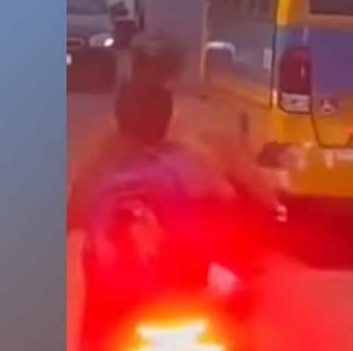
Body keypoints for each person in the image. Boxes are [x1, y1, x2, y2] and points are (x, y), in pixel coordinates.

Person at [68, 79, 243, 351]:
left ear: (118, 116)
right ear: (167, 118)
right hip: (187, 302)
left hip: (118, 308)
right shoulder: (191, 162)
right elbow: (229, 205)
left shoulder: (99, 161)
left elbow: (74, 213)